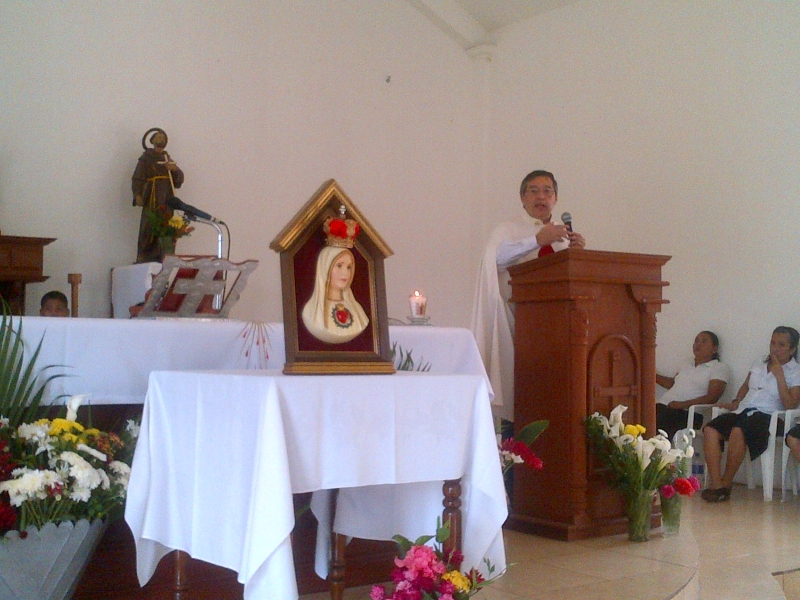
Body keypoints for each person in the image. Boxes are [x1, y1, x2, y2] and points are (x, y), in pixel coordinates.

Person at [471, 170, 585, 421]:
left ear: (555, 198)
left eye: (547, 191)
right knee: (520, 395)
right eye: (534, 191)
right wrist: (536, 240)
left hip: (561, 330)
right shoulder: (508, 230)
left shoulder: (564, 238)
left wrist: (579, 256)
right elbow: (495, 260)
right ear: (522, 198)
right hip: (517, 326)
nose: (541, 197)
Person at [701, 326, 800, 502]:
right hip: (744, 410)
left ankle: (726, 483)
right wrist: (736, 401)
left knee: (738, 430)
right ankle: (717, 484)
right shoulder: (759, 363)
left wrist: (779, 376)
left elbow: (790, 404)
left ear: (792, 349)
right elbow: (746, 386)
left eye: (781, 345)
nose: (775, 348)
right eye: (772, 343)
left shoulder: (795, 371)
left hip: (769, 415)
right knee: (710, 429)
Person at [301, 215, 369, 344]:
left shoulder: (359, 312)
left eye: (349, 267)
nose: (345, 273)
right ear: (325, 268)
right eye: (339, 265)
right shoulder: (311, 312)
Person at [656, 330, 730, 442]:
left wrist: (682, 405)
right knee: (641, 413)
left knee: (657, 420)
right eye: (696, 341)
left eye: (704, 341)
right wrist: (652, 375)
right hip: (664, 406)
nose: (698, 344)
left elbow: (712, 397)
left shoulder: (719, 368)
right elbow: (673, 384)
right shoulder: (687, 363)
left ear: (714, 349)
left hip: (688, 413)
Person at [132, 128, 184, 263]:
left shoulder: (167, 159)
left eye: (163, 141)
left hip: (166, 197)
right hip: (152, 196)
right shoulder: (146, 159)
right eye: (158, 140)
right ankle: (145, 254)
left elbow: (178, 180)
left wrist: (174, 169)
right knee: (149, 224)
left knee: (166, 223)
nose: (161, 143)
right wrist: (137, 194)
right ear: (152, 142)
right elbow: (137, 178)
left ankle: (164, 254)